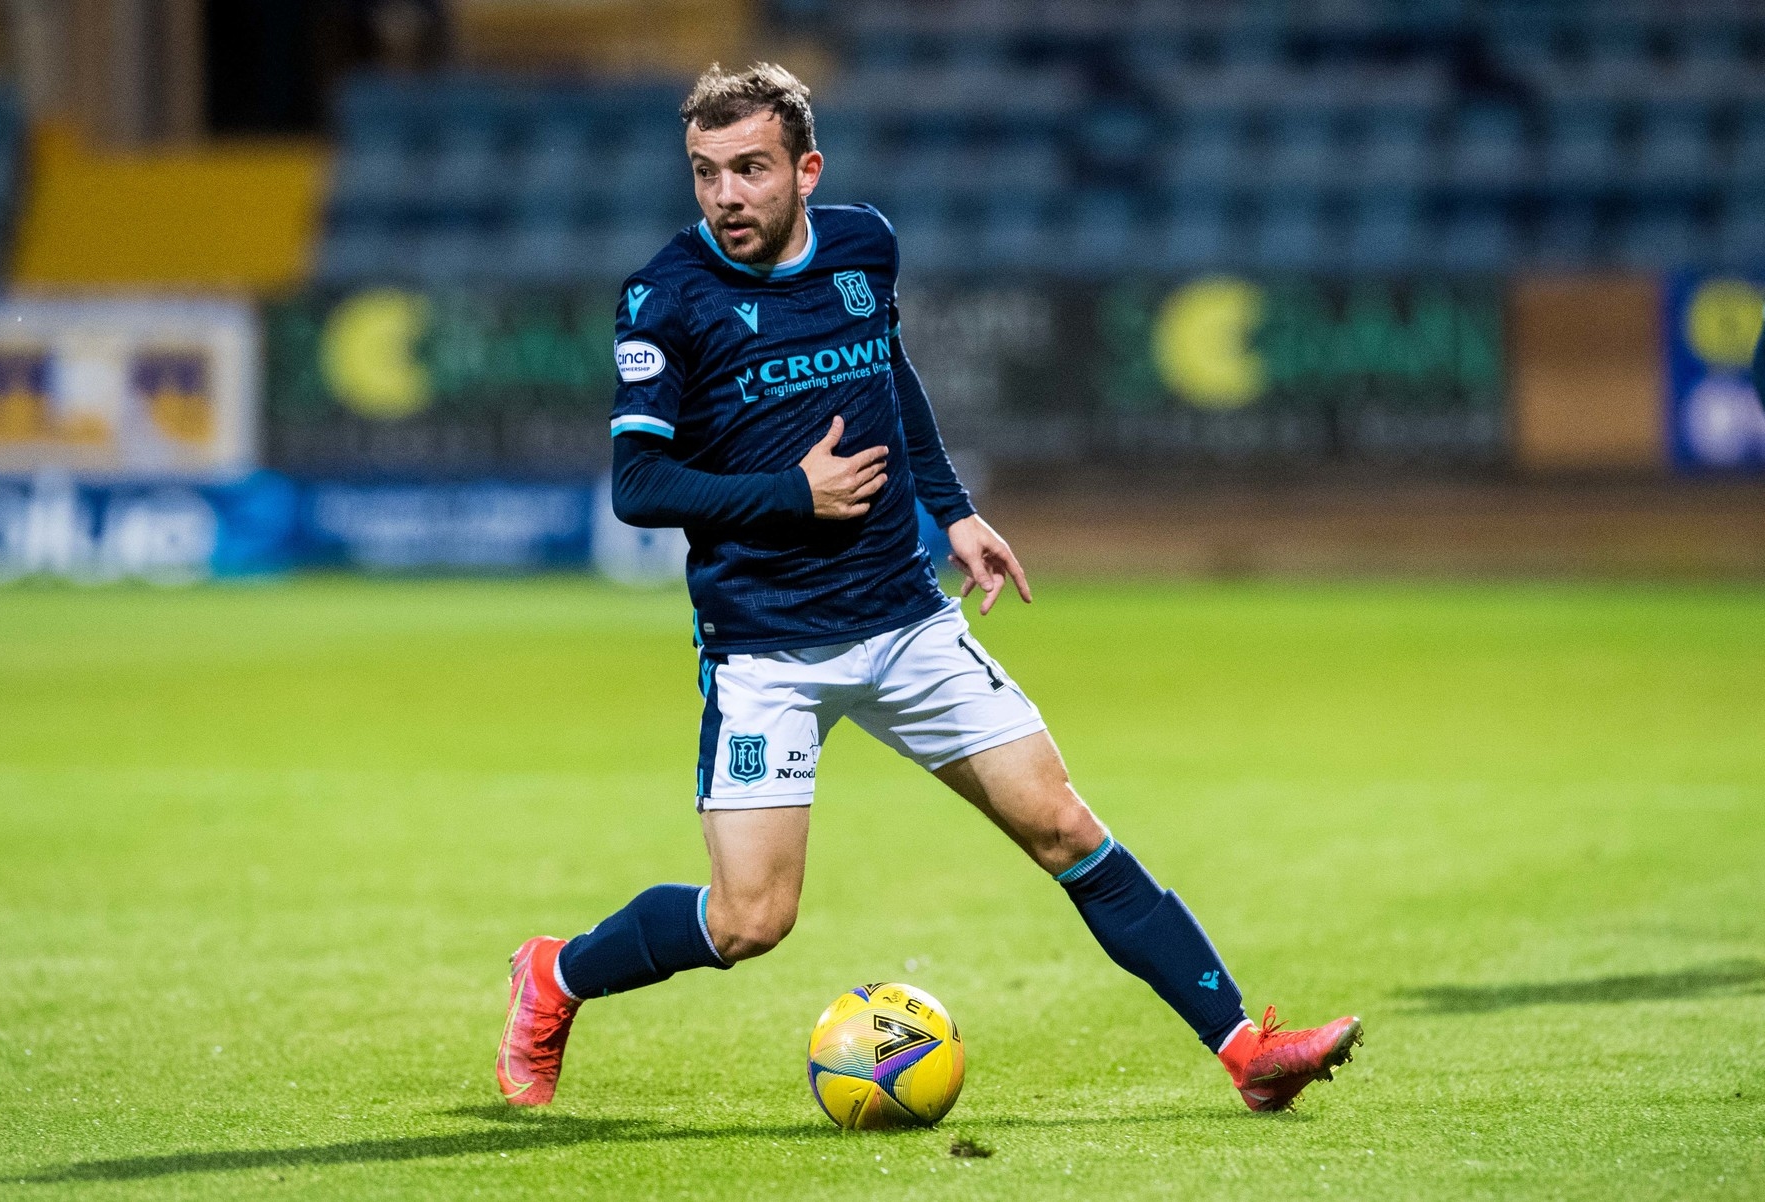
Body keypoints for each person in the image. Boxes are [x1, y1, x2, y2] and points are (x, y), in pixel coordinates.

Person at [497, 63, 1361, 1114]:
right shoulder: (665, 296)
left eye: (752, 170)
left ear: (806, 169)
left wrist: (954, 511)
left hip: (904, 619)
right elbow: (637, 484)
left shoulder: (864, 246)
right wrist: (792, 492)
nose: (727, 195)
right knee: (749, 920)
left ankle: (1246, 1051)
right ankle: (555, 975)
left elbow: (889, 375)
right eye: (707, 173)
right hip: (765, 645)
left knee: (1065, 825)